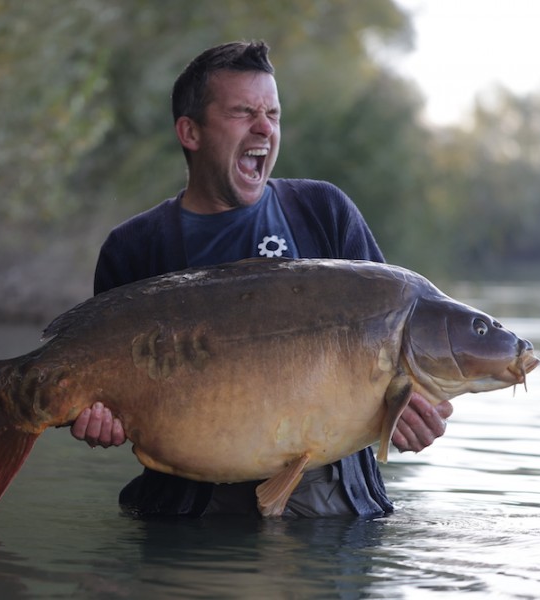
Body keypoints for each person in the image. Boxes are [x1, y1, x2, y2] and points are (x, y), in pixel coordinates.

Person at [71, 40, 453, 518]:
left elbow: (393, 357)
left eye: (272, 113)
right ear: (190, 132)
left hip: (330, 518)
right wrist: (99, 420)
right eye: (243, 112)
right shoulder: (135, 247)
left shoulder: (324, 213)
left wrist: (411, 415)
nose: (264, 128)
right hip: (190, 515)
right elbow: (105, 393)